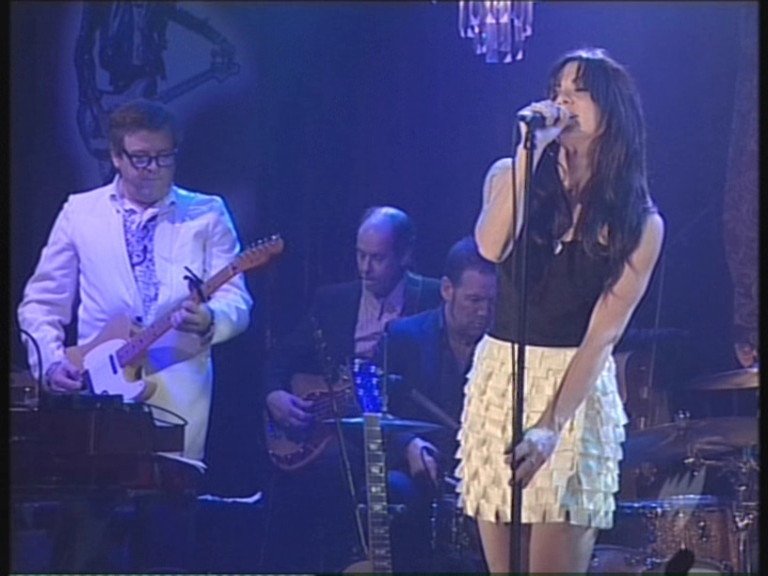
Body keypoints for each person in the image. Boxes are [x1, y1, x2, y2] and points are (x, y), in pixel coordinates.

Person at [16, 98, 253, 571]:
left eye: (164, 157)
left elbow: (237, 301)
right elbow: (40, 303)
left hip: (176, 406)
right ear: (116, 157)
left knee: (165, 546)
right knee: (85, 549)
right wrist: (52, 363)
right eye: (141, 158)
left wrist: (210, 319)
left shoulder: (206, 213)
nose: (152, 170)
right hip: (97, 408)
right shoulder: (81, 212)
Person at [454, 47, 665, 574]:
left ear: (610, 112)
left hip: (574, 389)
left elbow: (603, 336)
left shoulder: (639, 220)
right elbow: (489, 246)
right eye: (556, 91)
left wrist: (550, 425)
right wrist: (528, 155)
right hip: (501, 378)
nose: (562, 102)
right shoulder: (510, 175)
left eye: (578, 93)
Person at [261, 205, 441, 573]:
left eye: (378, 258)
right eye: (360, 255)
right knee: (326, 472)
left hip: (401, 429)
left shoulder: (433, 297)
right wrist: (273, 393)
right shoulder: (333, 299)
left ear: (405, 255)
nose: (365, 268)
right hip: (341, 431)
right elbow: (282, 355)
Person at [383, 235, 497, 572]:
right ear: (447, 289)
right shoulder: (404, 337)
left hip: (484, 477)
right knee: (395, 490)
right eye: (474, 300)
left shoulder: (504, 349)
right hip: (423, 476)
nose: (484, 312)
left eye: (492, 301)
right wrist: (408, 444)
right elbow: (373, 410)